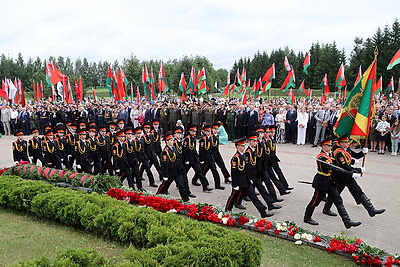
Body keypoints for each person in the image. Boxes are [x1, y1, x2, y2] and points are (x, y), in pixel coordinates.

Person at [304, 138, 362, 229]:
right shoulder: (321, 157)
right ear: (323, 146)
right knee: (315, 201)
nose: (330, 147)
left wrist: (353, 166)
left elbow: (337, 165)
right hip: (321, 182)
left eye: (331, 145)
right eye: (328, 145)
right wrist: (350, 174)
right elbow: (335, 168)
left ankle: (347, 221)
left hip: (329, 181)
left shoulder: (329, 154)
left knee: (338, 199)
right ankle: (307, 217)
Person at [322, 135, 385, 218]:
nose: (348, 143)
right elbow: (344, 166)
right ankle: (326, 209)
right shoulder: (338, 152)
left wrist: (363, 152)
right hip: (340, 177)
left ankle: (371, 209)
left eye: (348, 142)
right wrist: (358, 170)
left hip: (348, 176)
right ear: (341, 143)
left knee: (358, 191)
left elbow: (356, 155)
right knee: (335, 195)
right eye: (346, 142)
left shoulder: (346, 150)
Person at [225, 137, 272, 218]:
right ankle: (227, 210)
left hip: (246, 181)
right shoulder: (235, 158)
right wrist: (235, 184)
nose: (243, 147)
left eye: (244, 145)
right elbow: (234, 173)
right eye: (241, 146)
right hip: (239, 181)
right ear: (237, 146)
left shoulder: (243, 155)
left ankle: (263, 212)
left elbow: (247, 168)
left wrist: (250, 178)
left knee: (254, 197)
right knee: (233, 197)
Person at [156, 131, 190, 202]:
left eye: (172, 140)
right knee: (164, 186)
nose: (172, 141)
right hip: (170, 173)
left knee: (181, 186)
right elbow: (165, 165)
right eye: (170, 140)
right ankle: (156, 197)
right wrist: (165, 175)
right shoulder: (165, 151)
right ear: (166, 141)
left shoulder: (173, 148)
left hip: (177, 171)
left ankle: (186, 200)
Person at [183, 124, 213, 192]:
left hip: (194, 159)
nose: (194, 133)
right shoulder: (187, 139)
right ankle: (180, 184)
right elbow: (184, 150)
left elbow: (194, 149)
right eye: (193, 131)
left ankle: (205, 186)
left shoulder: (193, 138)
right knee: (184, 173)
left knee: (200, 172)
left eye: (195, 131)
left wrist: (198, 157)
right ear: (189, 131)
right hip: (188, 159)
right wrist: (186, 159)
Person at [197, 124, 224, 190]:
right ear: (205, 132)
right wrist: (201, 159)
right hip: (205, 158)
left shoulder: (210, 138)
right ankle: (198, 182)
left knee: (214, 170)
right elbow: (201, 150)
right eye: (208, 131)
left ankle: (217, 185)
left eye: (210, 131)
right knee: (201, 172)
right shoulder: (203, 140)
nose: (209, 133)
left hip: (210, 158)